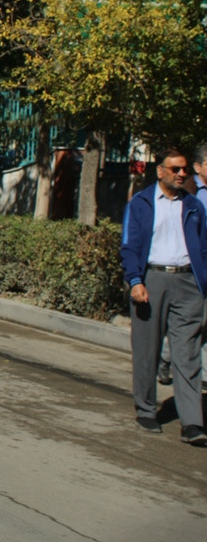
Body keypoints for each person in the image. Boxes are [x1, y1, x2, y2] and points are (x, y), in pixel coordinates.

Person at [120, 148, 207, 445]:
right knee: (148, 350)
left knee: (188, 355)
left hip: (188, 283)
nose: (181, 174)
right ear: (160, 171)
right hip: (152, 280)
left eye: (185, 170)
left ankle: (192, 422)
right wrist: (135, 280)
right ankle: (146, 410)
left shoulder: (194, 205)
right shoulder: (141, 203)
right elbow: (129, 246)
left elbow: (203, 248)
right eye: (175, 169)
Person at [157, 142, 207, 389]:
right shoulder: (187, 191)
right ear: (198, 167)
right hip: (191, 270)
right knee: (196, 322)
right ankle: (169, 360)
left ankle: (172, 360)